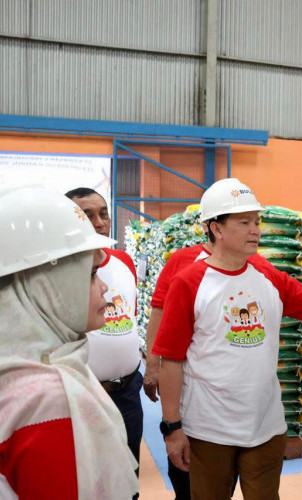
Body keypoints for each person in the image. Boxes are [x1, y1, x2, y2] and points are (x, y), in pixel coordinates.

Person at [153, 178, 302, 500]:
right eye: (243, 222)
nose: (255, 230)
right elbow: (171, 360)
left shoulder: (268, 275)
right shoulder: (189, 282)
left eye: (257, 222)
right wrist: (172, 427)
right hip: (208, 429)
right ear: (216, 229)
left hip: (266, 426)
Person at [0, 185, 139, 499]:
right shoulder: (49, 401)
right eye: (90, 275)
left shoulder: (23, 371)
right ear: (45, 286)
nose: (103, 287)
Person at [66, 187, 143, 488]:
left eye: (103, 213)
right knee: (88, 479)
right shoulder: (63, 268)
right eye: (87, 214)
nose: (99, 222)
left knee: (129, 475)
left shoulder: (124, 261)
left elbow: (131, 318)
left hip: (127, 391)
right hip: (83, 393)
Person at [144, 234, 212, 500]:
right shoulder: (182, 260)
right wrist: (152, 365)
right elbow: (158, 311)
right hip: (184, 386)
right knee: (185, 474)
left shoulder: (253, 264)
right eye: (243, 222)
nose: (253, 229)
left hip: (226, 403)